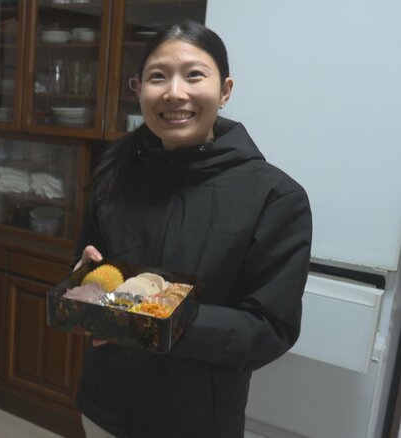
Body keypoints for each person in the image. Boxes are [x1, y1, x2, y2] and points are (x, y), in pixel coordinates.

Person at [74, 21, 312, 437]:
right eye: (158, 77)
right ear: (138, 88)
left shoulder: (274, 196)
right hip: (104, 408)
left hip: (196, 422)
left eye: (194, 75)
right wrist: (84, 280)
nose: (174, 92)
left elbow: (269, 329)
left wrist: (156, 322)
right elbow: (88, 266)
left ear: (225, 90)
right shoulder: (115, 173)